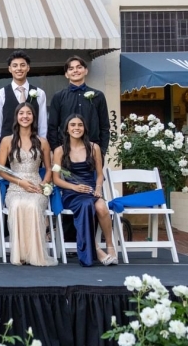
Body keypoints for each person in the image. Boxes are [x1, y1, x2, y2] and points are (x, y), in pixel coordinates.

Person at [47, 56, 110, 246]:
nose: (75, 70)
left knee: (92, 196)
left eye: (79, 67)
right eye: (71, 68)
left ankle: (92, 241)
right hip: (66, 157)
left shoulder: (97, 96)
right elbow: (53, 127)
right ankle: (70, 240)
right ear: (66, 73)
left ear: (85, 70)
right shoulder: (59, 96)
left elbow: (105, 127)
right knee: (71, 194)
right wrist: (58, 152)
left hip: (91, 155)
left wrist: (101, 151)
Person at [52, 114, 117, 267]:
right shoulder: (59, 151)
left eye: (80, 125)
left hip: (90, 190)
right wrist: (74, 187)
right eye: (73, 125)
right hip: (71, 193)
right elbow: (56, 179)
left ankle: (110, 245)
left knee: (101, 207)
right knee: (87, 205)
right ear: (67, 129)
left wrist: (98, 189)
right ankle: (95, 249)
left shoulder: (94, 148)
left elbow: (100, 175)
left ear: (84, 128)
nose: (76, 128)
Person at [0, 103, 57, 266]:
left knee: (32, 205)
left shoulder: (42, 141)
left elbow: (49, 168)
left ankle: (35, 254)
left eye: (28, 113)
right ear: (16, 117)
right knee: (16, 205)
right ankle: (21, 254)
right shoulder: (7, 140)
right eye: (21, 113)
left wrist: (44, 184)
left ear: (34, 117)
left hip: (36, 185)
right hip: (15, 186)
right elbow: (1, 170)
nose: (25, 116)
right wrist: (20, 182)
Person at [0, 50, 47, 157]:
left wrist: (42, 149)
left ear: (28, 68)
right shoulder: (1, 94)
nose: (19, 69)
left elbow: (42, 125)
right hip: (7, 150)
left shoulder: (40, 93)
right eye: (15, 66)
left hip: (33, 151)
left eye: (22, 65)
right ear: (10, 69)